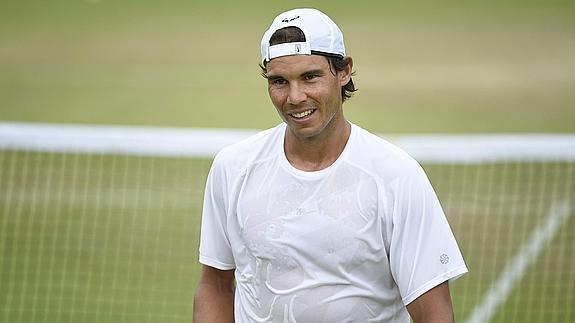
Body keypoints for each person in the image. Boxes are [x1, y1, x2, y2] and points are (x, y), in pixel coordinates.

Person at [194, 8, 467, 323]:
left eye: (310, 77)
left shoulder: (397, 176)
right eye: (279, 81)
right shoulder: (232, 167)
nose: (295, 97)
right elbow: (215, 285)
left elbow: (434, 313)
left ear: (344, 71)